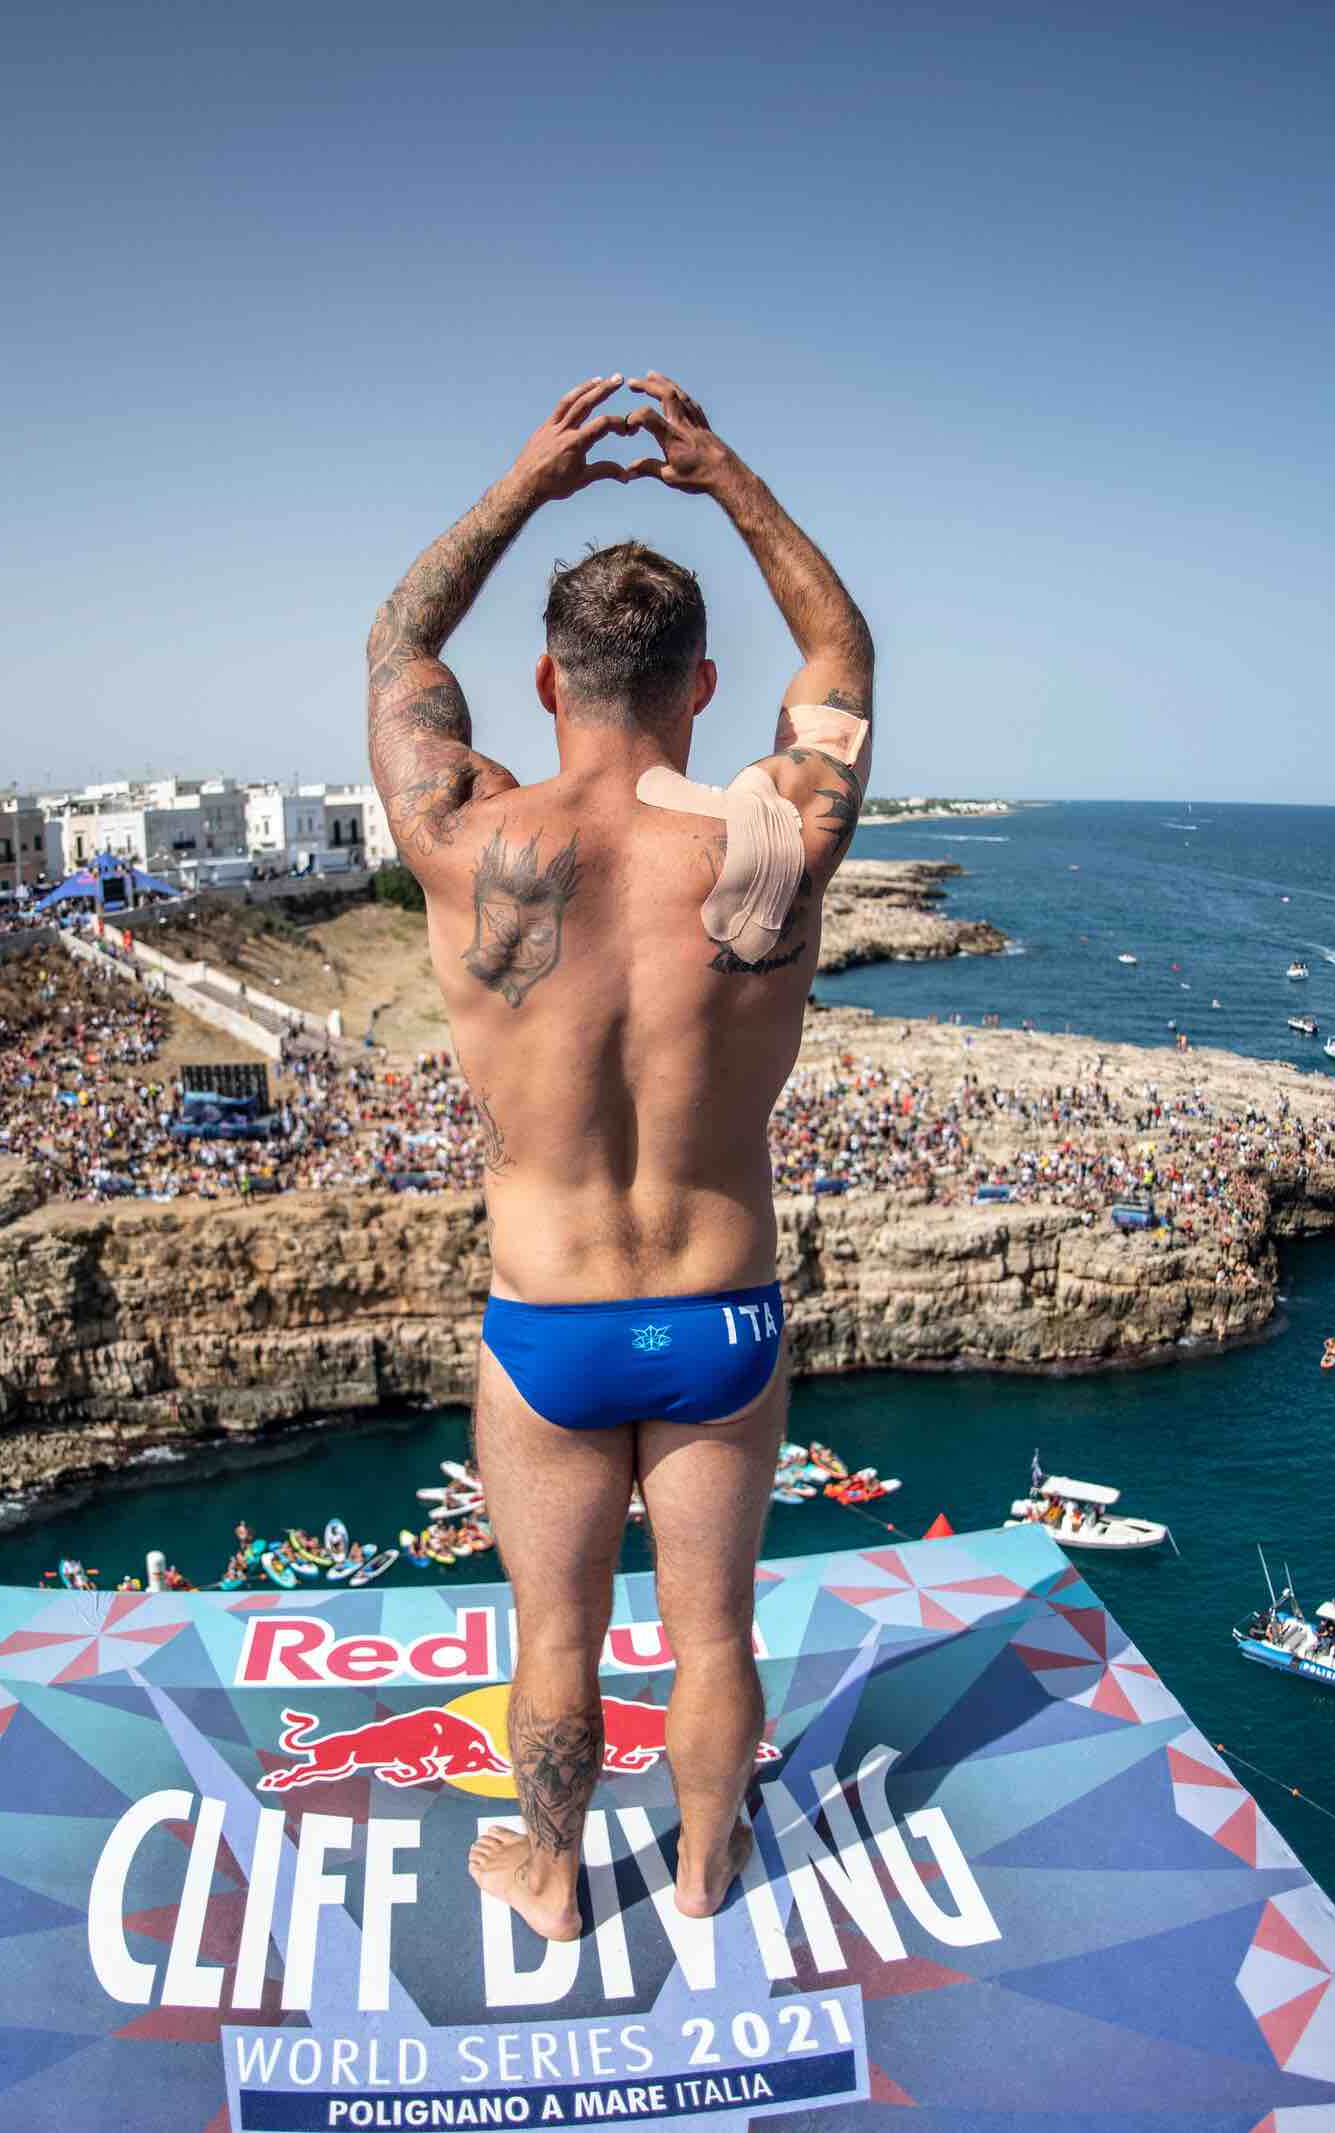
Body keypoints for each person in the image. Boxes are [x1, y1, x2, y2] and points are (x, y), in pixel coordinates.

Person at [366, 373, 871, 1942]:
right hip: (723, 1309)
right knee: (713, 1636)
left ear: (543, 679)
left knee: (556, 1636)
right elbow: (842, 652)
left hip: (551, 1322)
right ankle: (709, 1874)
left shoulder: (470, 839)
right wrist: (729, 479)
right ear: (704, 685)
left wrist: (525, 485)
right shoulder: (777, 834)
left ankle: (556, 1882)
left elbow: (398, 647)